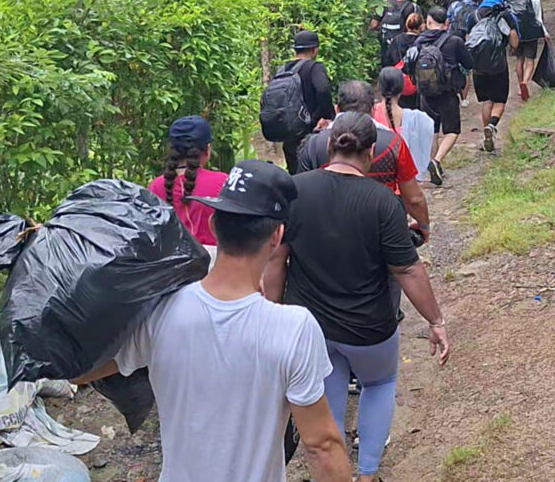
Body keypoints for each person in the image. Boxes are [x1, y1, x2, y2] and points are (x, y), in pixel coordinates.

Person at [73, 160, 352, 482]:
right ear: (277, 235)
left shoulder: (161, 310)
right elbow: (322, 446)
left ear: (216, 224)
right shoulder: (293, 329)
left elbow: (82, 371)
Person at [264, 113, 450, 482]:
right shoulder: (382, 201)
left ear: (330, 145)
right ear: (369, 153)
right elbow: (408, 270)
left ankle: (336, 470)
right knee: (379, 385)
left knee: (326, 391)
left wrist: (270, 313)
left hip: (311, 326)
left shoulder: (296, 190)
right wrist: (436, 321)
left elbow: (276, 259)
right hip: (370, 327)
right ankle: (367, 474)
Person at [297, 80, 430, 237]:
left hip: (328, 233)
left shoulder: (313, 144)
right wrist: (423, 226)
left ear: (337, 109)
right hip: (382, 229)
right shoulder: (393, 143)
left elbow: (301, 198)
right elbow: (414, 198)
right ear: (373, 110)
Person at [403, 6, 474, 186]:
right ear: (446, 22)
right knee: (452, 131)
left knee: (432, 130)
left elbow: (408, 65)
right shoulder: (454, 41)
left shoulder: (419, 41)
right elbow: (469, 62)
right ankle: (437, 161)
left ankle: (432, 163)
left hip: (425, 93)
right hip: (447, 92)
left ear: (428, 22)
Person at [149, 116, 230, 255]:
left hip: (170, 267)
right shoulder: (222, 182)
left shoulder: (155, 187)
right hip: (214, 266)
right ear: (207, 150)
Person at [277, 30, 336, 175]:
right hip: (311, 132)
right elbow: (322, 90)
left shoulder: (282, 69)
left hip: (289, 134)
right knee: (314, 176)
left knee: (295, 176)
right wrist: (326, 116)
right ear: (315, 50)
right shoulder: (314, 67)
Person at [468, 0, 519, 152]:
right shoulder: (504, 14)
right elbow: (514, 39)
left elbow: (468, 38)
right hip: (498, 66)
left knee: (487, 101)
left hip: (478, 67)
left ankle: (486, 135)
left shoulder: (474, 15)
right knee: (500, 100)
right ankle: (492, 125)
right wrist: (512, 47)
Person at [374, 67, 436, 183]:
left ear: (379, 87)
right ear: (402, 89)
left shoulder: (369, 116)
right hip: (405, 183)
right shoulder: (417, 119)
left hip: (376, 181)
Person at [505, 0, 548, 102]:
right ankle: (525, 82)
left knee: (519, 59)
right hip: (531, 33)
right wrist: (545, 33)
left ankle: (519, 85)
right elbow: (538, 18)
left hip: (516, 34)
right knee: (530, 60)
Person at [371, 0, 422, 68]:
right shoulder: (412, 7)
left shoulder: (383, 4)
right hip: (406, 47)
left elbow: (374, 25)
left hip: (387, 46)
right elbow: (420, 26)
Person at [383, 12, 425, 95]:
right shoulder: (422, 41)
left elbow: (387, 60)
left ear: (406, 25)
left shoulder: (397, 39)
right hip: (417, 83)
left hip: (399, 80)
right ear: (421, 26)